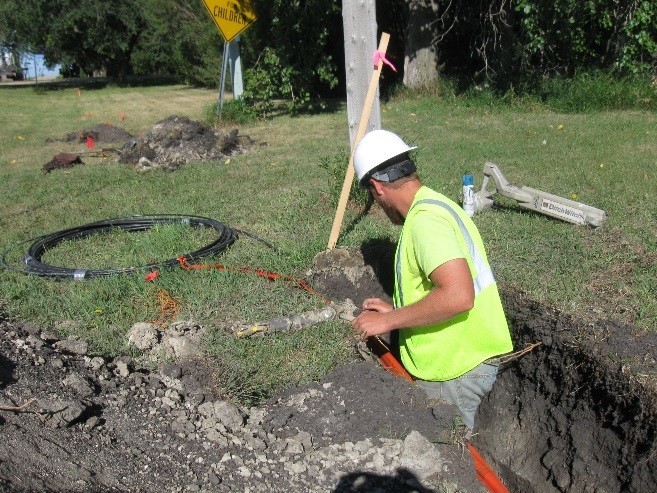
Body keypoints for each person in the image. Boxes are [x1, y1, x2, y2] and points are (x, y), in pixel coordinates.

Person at [350, 129, 513, 436]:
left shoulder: (426, 222)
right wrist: (398, 311)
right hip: (465, 359)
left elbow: (458, 296)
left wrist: (387, 322)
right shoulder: (438, 205)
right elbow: (442, 287)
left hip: (455, 371)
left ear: (377, 187)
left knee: (446, 464)